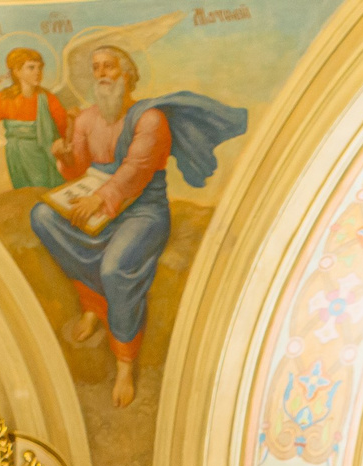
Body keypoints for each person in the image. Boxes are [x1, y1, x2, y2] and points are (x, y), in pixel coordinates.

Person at [29, 42, 247, 408]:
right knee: (42, 217)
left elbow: (137, 170)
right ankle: (94, 304)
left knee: (115, 268)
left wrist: (101, 197)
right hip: (98, 202)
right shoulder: (85, 119)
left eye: (109, 66)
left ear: (127, 74)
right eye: (97, 67)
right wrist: (66, 158)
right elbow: (79, 169)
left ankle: (125, 362)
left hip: (142, 210)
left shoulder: (149, 119)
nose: (101, 73)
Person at [0, 47, 71, 190]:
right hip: (17, 155)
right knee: (25, 194)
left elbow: (63, 127)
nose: (38, 72)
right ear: (17, 71)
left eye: (40, 68)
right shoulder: (5, 99)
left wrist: (63, 140)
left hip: (44, 154)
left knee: (46, 188)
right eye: (31, 68)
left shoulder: (48, 99)